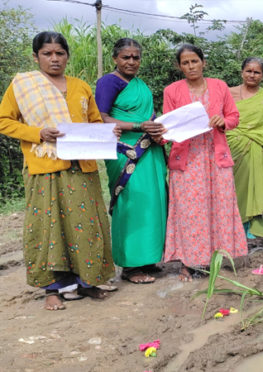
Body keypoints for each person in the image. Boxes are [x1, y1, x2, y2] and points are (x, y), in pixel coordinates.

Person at [0, 31, 116, 310]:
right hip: (45, 168)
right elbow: (4, 120)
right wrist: (38, 132)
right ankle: (52, 289)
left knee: (87, 225)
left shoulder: (80, 86)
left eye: (59, 53)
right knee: (49, 228)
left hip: (82, 167)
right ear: (36, 56)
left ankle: (88, 282)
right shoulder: (23, 85)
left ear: (67, 56)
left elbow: (94, 121)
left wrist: (103, 134)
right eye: (47, 53)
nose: (54, 59)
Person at [163, 44, 247, 281]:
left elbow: (234, 116)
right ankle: (188, 262)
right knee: (189, 210)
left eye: (194, 61)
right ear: (179, 66)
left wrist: (223, 121)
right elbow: (168, 124)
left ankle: (217, 257)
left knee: (219, 206)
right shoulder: (172, 90)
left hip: (215, 156)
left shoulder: (219, 86)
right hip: (187, 159)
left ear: (203, 62)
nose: (190, 67)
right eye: (185, 63)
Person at [95, 38, 167, 284]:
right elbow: (101, 117)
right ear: (115, 58)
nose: (132, 62)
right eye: (126, 57)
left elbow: (150, 115)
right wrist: (137, 125)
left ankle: (148, 259)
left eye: (136, 57)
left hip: (150, 150)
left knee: (153, 203)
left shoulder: (141, 85)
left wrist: (155, 129)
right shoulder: (108, 82)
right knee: (131, 205)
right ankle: (130, 266)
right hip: (124, 151)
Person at [227, 57, 263, 239]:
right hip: (233, 147)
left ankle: (256, 233)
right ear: (242, 72)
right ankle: (234, 229)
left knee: (260, 186)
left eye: (257, 72)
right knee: (234, 188)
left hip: (261, 148)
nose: (252, 75)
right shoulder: (228, 92)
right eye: (249, 71)